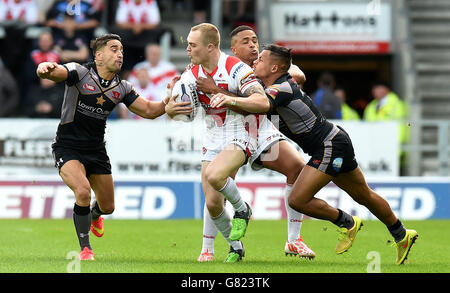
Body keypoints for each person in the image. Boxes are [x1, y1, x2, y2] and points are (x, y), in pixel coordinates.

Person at [210, 44, 418, 265]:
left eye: (261, 59)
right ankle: (402, 235)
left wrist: (224, 96)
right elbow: (288, 79)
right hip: (335, 141)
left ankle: (346, 222)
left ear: (274, 68)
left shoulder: (279, 90)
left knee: (298, 199)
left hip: (329, 145)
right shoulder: (273, 85)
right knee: (363, 194)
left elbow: (259, 105)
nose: (256, 61)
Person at [36, 33, 191, 261]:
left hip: (96, 151)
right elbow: (55, 71)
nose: (119, 54)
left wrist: (169, 100)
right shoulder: (80, 73)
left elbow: (149, 110)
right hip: (67, 147)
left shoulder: (123, 87)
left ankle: (95, 215)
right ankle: (86, 249)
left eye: (121, 51)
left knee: (108, 207)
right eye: (113, 49)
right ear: (98, 56)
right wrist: (44, 68)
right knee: (82, 191)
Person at [195, 25, 314, 262]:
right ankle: (210, 247)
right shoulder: (223, 68)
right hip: (230, 132)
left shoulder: (262, 66)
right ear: (233, 48)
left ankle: (294, 240)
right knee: (214, 195)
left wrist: (282, 72)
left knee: (297, 168)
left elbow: (298, 75)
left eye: (255, 40)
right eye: (246, 41)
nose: (253, 45)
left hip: (262, 131)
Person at [166, 23, 267, 263]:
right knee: (212, 204)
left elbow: (262, 101)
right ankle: (236, 247)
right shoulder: (191, 73)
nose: (188, 49)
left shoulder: (235, 69)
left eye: (193, 45)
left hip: (240, 131)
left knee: (214, 175)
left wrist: (223, 95)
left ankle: (242, 209)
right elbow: (177, 107)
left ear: (210, 46)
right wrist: (170, 108)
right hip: (212, 136)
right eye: (188, 44)